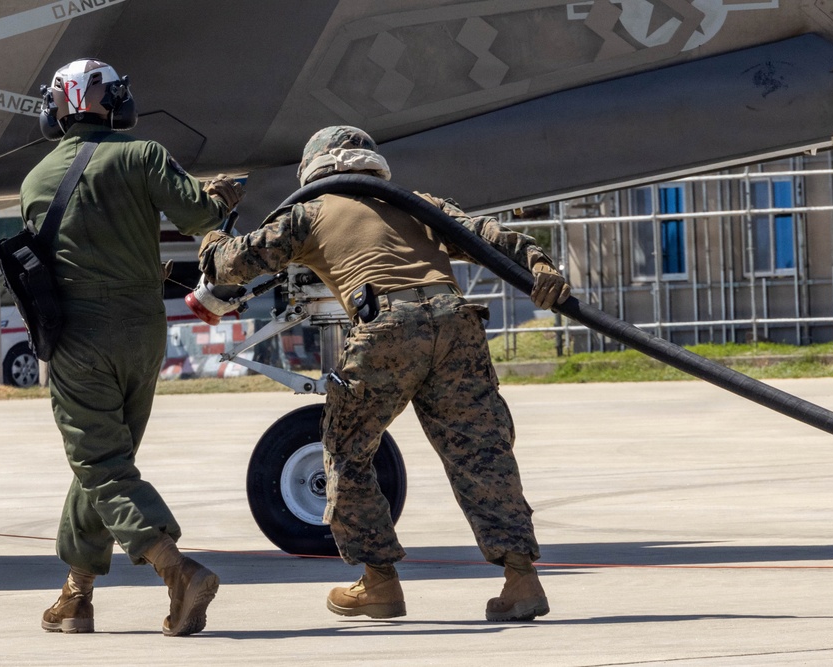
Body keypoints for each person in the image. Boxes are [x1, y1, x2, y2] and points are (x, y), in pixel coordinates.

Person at [197, 125, 570, 621]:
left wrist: (212, 219)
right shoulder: (418, 203)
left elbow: (225, 266)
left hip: (387, 330)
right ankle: (521, 580)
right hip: (457, 322)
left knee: (347, 454)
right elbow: (488, 236)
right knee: (482, 453)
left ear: (316, 167)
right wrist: (539, 264)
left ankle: (379, 584)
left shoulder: (307, 214)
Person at [20, 58, 244, 636]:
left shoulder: (36, 180)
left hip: (77, 337)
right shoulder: (142, 154)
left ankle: (176, 571)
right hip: (142, 332)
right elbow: (200, 215)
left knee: (100, 463)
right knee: (106, 465)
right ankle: (76, 595)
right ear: (110, 103)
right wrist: (218, 198)